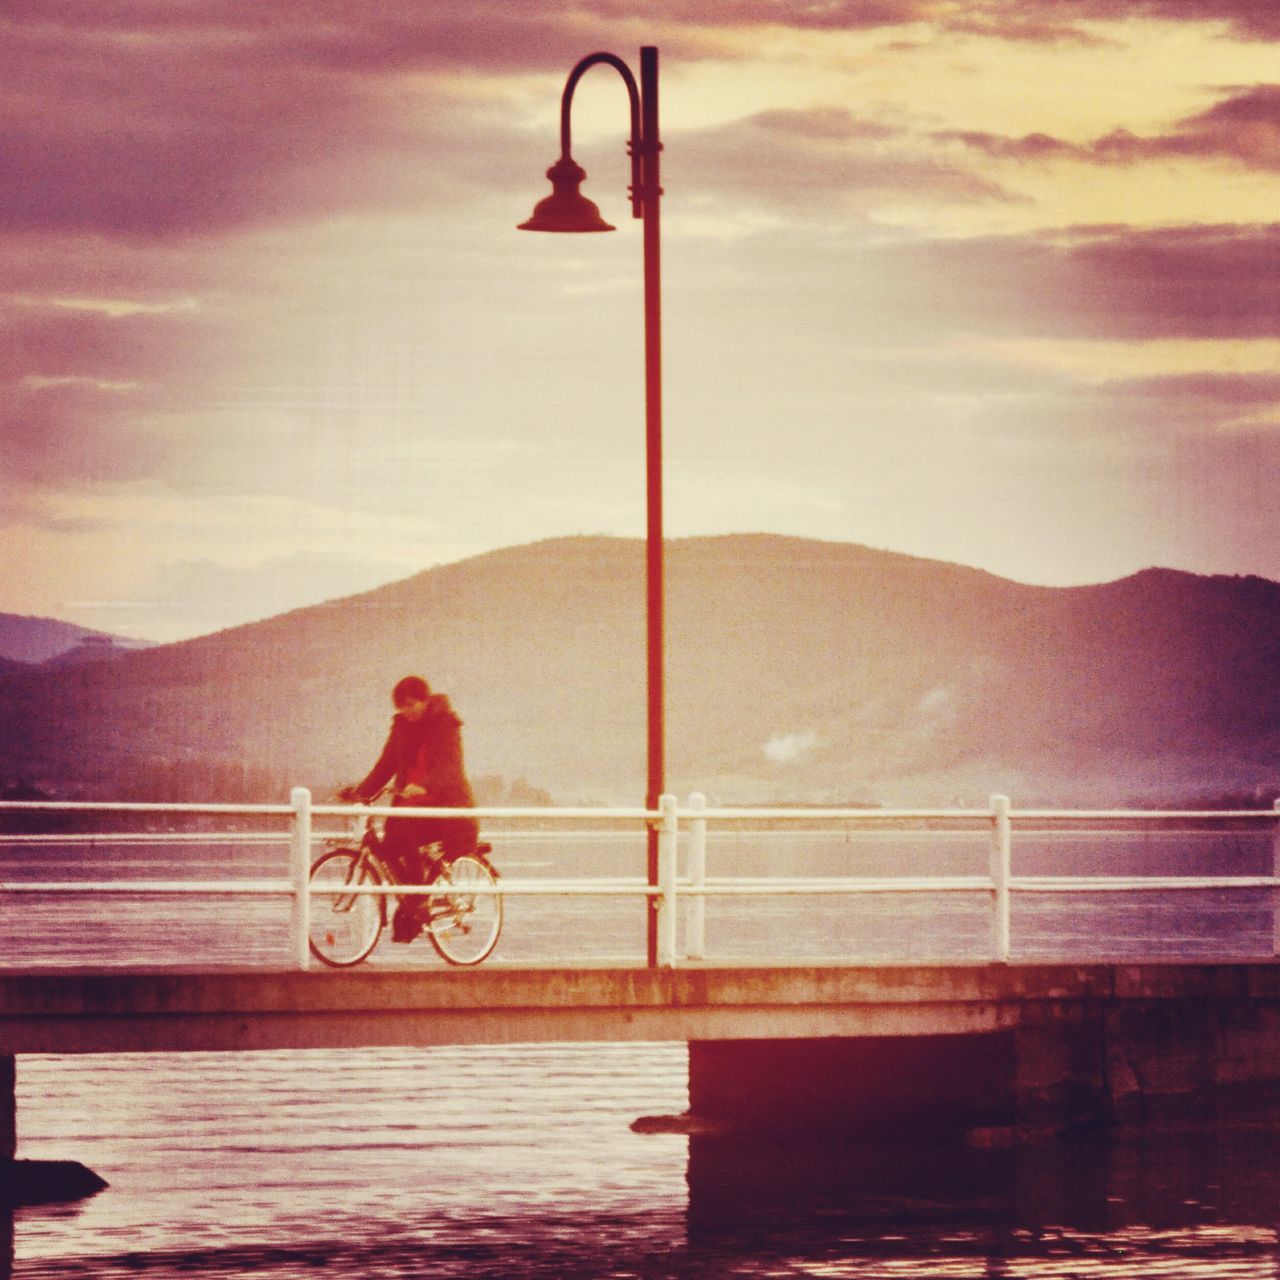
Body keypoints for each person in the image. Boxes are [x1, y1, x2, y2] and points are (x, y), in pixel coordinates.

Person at [340, 675, 479, 943]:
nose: (406, 711)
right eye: (401, 706)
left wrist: (425, 786)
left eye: (411, 705)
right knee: (391, 840)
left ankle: (417, 900)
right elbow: (386, 764)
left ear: (425, 701)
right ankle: (413, 899)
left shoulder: (446, 725)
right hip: (411, 806)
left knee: (405, 834)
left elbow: (449, 768)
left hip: (447, 808)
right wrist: (360, 792)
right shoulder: (401, 727)